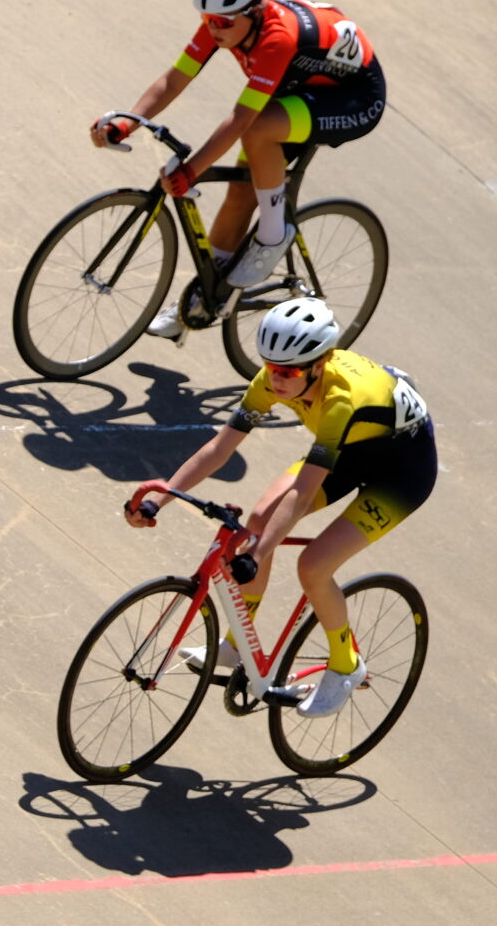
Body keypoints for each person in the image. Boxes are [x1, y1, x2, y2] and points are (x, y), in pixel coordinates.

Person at [125, 297, 435, 717]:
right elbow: (219, 449)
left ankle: (346, 666)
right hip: (349, 449)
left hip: (401, 472)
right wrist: (159, 498)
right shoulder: (271, 379)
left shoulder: (341, 399)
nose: (276, 379)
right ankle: (237, 644)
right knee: (258, 521)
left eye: (288, 372)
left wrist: (255, 555)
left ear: (319, 365)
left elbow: (303, 492)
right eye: (270, 366)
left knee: (313, 565)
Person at [92, 0, 386, 340]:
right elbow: (175, 79)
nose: (214, 29)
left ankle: (273, 234)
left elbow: (241, 119)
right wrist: (127, 121)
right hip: (297, 88)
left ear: (255, 11)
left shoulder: (278, 38)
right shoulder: (221, 22)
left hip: (352, 98)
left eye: (224, 22)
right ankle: (201, 300)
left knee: (258, 129)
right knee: (238, 195)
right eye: (208, 19)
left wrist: (191, 171)